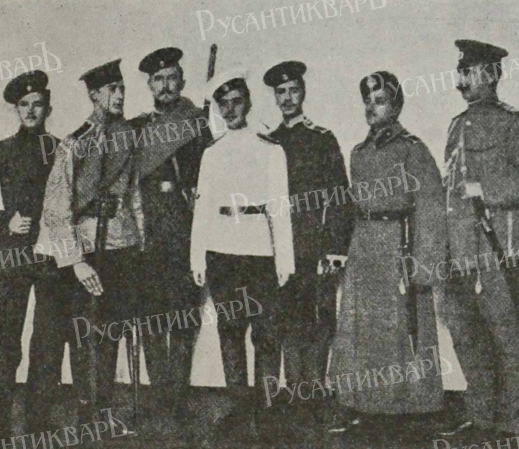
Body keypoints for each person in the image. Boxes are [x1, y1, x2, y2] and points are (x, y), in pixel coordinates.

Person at [438, 40, 519, 438]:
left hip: (503, 247)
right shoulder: (456, 124)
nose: (460, 81)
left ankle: (514, 421)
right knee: (467, 335)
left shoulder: (512, 123)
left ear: (489, 74)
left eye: (467, 73)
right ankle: (481, 415)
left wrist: (486, 190)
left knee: (507, 336)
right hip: (462, 251)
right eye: (459, 73)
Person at [328, 71, 447, 432]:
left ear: (396, 106)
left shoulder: (412, 149)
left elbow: (431, 206)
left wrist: (425, 266)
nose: (371, 107)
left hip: (399, 245)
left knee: (402, 327)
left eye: (379, 101)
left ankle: (409, 407)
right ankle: (362, 403)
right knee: (361, 327)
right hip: (364, 245)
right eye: (367, 100)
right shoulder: (359, 153)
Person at [28, 59, 143, 432]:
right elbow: (56, 209)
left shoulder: (128, 138)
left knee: (111, 332)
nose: (120, 95)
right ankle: (87, 415)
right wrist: (76, 261)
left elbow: (134, 196)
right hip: (86, 250)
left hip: (121, 246)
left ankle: (104, 412)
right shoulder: (75, 143)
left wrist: (140, 242)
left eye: (122, 88)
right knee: (86, 336)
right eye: (112, 90)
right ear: (94, 95)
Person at [190, 69, 294, 438]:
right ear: (218, 108)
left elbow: (279, 208)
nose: (230, 109)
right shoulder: (212, 153)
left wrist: (284, 259)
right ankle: (238, 407)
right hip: (222, 253)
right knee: (230, 333)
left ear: (248, 102)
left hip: (258, 252)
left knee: (266, 334)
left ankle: (266, 410)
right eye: (224, 103)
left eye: (236, 101)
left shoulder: (271, 149)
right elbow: (203, 208)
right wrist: (197, 257)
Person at [0, 70, 58, 443]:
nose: (31, 111)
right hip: (12, 258)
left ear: (48, 108)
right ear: (16, 109)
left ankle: (39, 424)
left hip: (51, 258)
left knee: (48, 344)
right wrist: (6, 221)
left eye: (37, 104)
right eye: (24, 105)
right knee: (5, 342)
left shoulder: (61, 150)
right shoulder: (0, 151)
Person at [263, 61, 353, 418]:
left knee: (318, 319)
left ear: (303, 92)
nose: (287, 98)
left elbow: (340, 197)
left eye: (293, 90)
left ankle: (314, 392)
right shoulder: (269, 142)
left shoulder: (321, 139)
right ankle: (294, 390)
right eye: (280, 92)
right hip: (279, 250)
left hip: (314, 248)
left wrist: (334, 250)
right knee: (285, 319)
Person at [129, 47, 208, 413]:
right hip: (147, 233)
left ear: (182, 82)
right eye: (158, 79)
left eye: (171, 78)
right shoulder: (138, 128)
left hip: (184, 232)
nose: (165, 85)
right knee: (150, 317)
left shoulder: (197, 122)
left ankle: (177, 395)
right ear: (149, 85)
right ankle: (158, 392)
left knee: (183, 317)